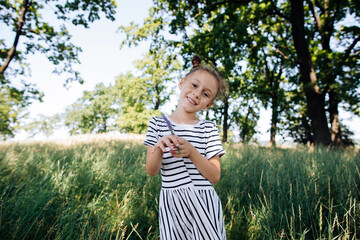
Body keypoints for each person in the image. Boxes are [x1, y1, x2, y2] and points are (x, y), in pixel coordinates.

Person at [143, 54, 228, 240]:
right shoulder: (157, 124)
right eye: (194, 85)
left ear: (209, 104)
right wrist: (159, 146)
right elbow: (151, 170)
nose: (197, 94)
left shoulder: (208, 129)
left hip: (204, 203)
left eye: (206, 94)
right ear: (182, 83)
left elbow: (214, 176)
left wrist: (191, 152)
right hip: (173, 204)